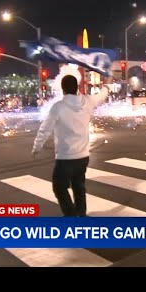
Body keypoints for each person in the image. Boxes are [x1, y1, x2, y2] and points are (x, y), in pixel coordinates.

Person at [32, 74, 112, 217]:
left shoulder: (58, 107)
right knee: (78, 187)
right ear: (77, 88)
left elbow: (45, 129)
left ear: (62, 89)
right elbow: (101, 95)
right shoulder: (87, 101)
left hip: (65, 157)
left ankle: (71, 216)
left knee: (59, 187)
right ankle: (81, 215)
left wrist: (37, 147)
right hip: (83, 156)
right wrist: (106, 85)